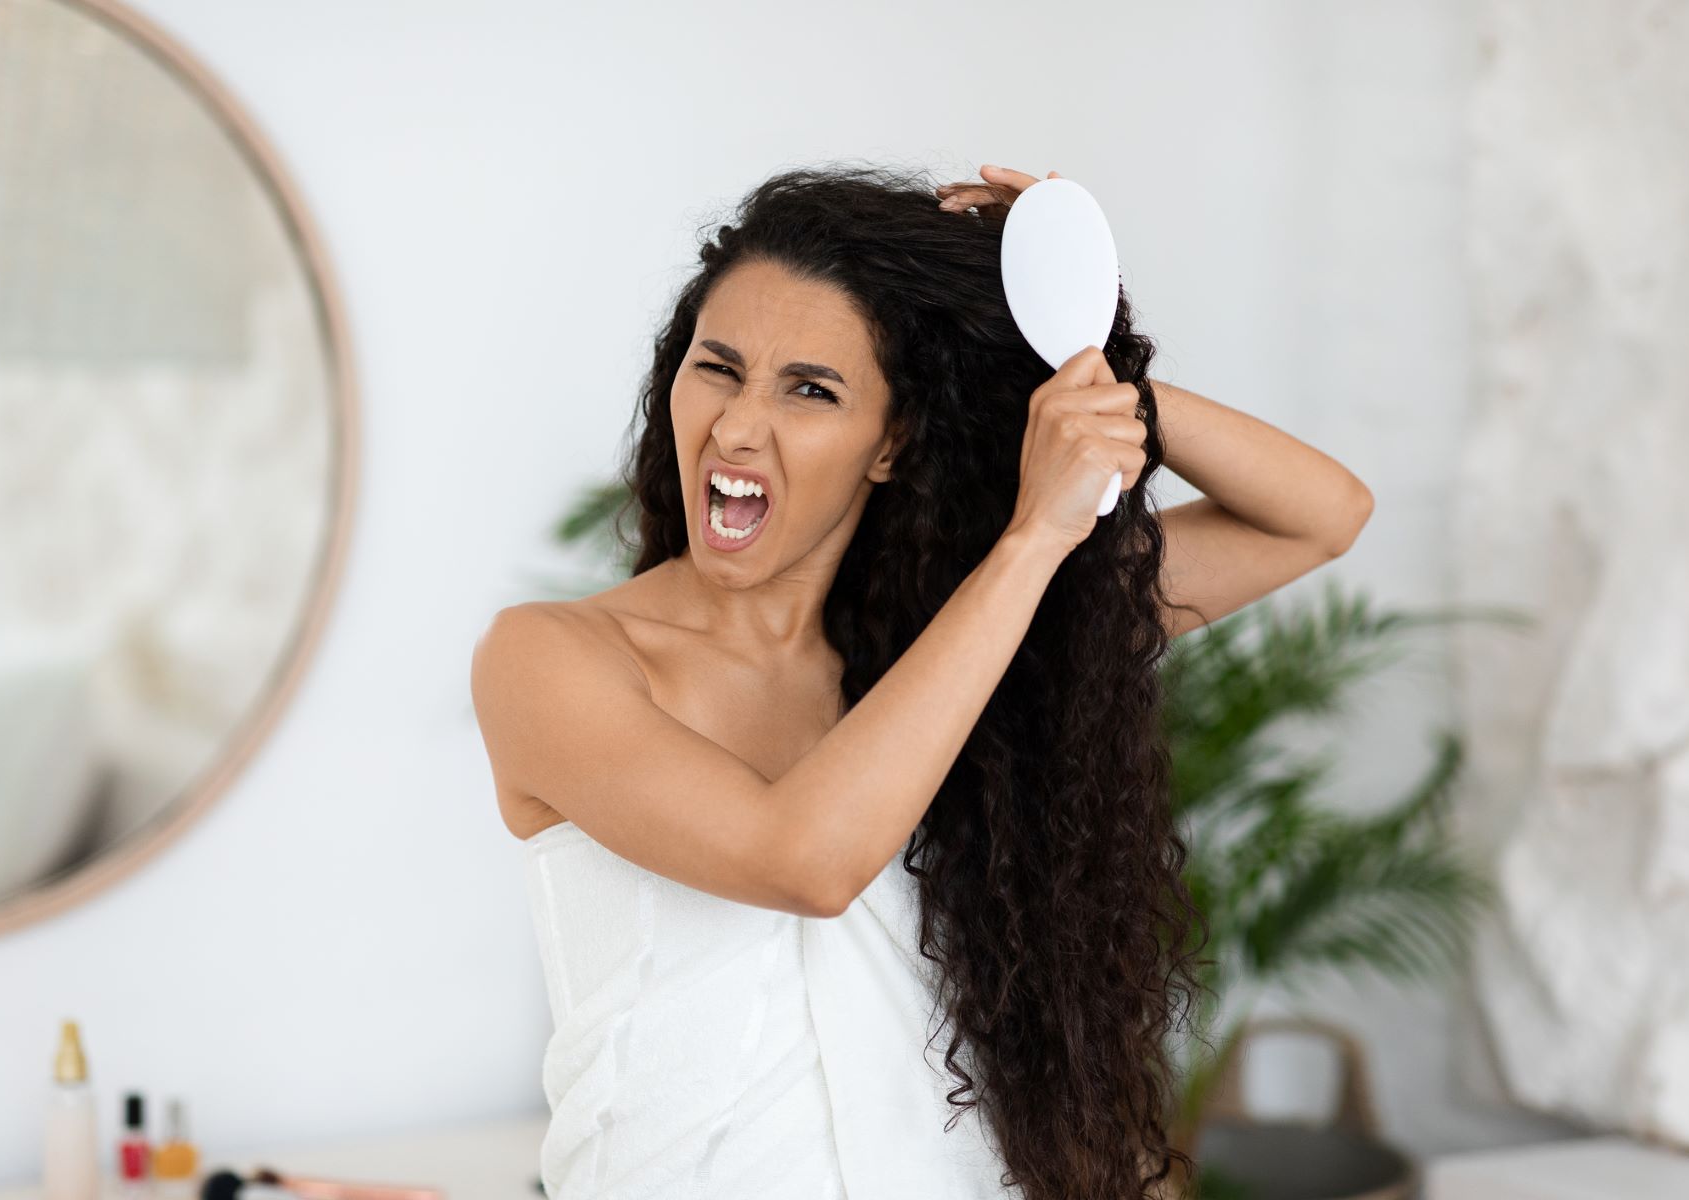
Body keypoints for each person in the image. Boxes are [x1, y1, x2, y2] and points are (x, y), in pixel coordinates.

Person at [470, 162, 1374, 1200]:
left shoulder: (957, 636)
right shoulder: (554, 662)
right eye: (717, 368)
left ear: (893, 441)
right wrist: (1037, 534)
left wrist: (1074, 352)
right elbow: (806, 860)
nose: (736, 427)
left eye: (811, 389)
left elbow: (1321, 515)